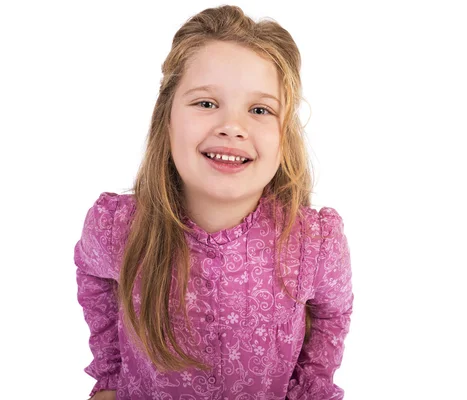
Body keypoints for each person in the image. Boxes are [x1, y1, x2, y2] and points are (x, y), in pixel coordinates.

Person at [74, 5, 353, 400]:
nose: (232, 127)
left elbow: (332, 312)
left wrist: (311, 386)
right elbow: (93, 274)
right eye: (206, 103)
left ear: (283, 135)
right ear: (166, 119)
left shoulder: (314, 242)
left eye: (260, 110)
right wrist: (110, 375)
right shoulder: (117, 227)